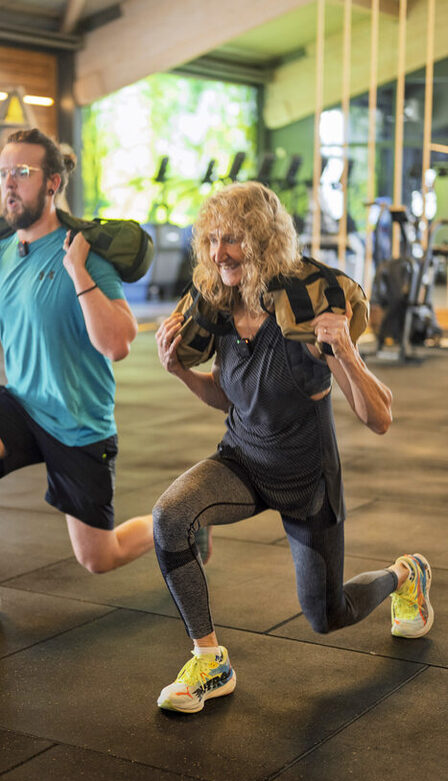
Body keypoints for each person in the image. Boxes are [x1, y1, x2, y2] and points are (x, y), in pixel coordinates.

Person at [153, 181, 433, 714]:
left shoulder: (303, 318)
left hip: (307, 481)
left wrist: (346, 351)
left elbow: (380, 418)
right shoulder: (221, 310)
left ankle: (405, 574)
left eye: (231, 238)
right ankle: (210, 661)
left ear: (260, 240)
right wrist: (178, 371)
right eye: (210, 239)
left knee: (326, 615)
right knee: (170, 515)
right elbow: (229, 398)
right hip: (242, 460)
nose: (218, 253)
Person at [0, 127, 155, 635]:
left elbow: (117, 343)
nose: (9, 184)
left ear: (51, 183)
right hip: (24, 405)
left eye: (21, 174)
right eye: (3, 173)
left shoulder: (81, 250)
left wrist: (79, 273)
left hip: (78, 419)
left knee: (99, 557)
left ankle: (174, 527)